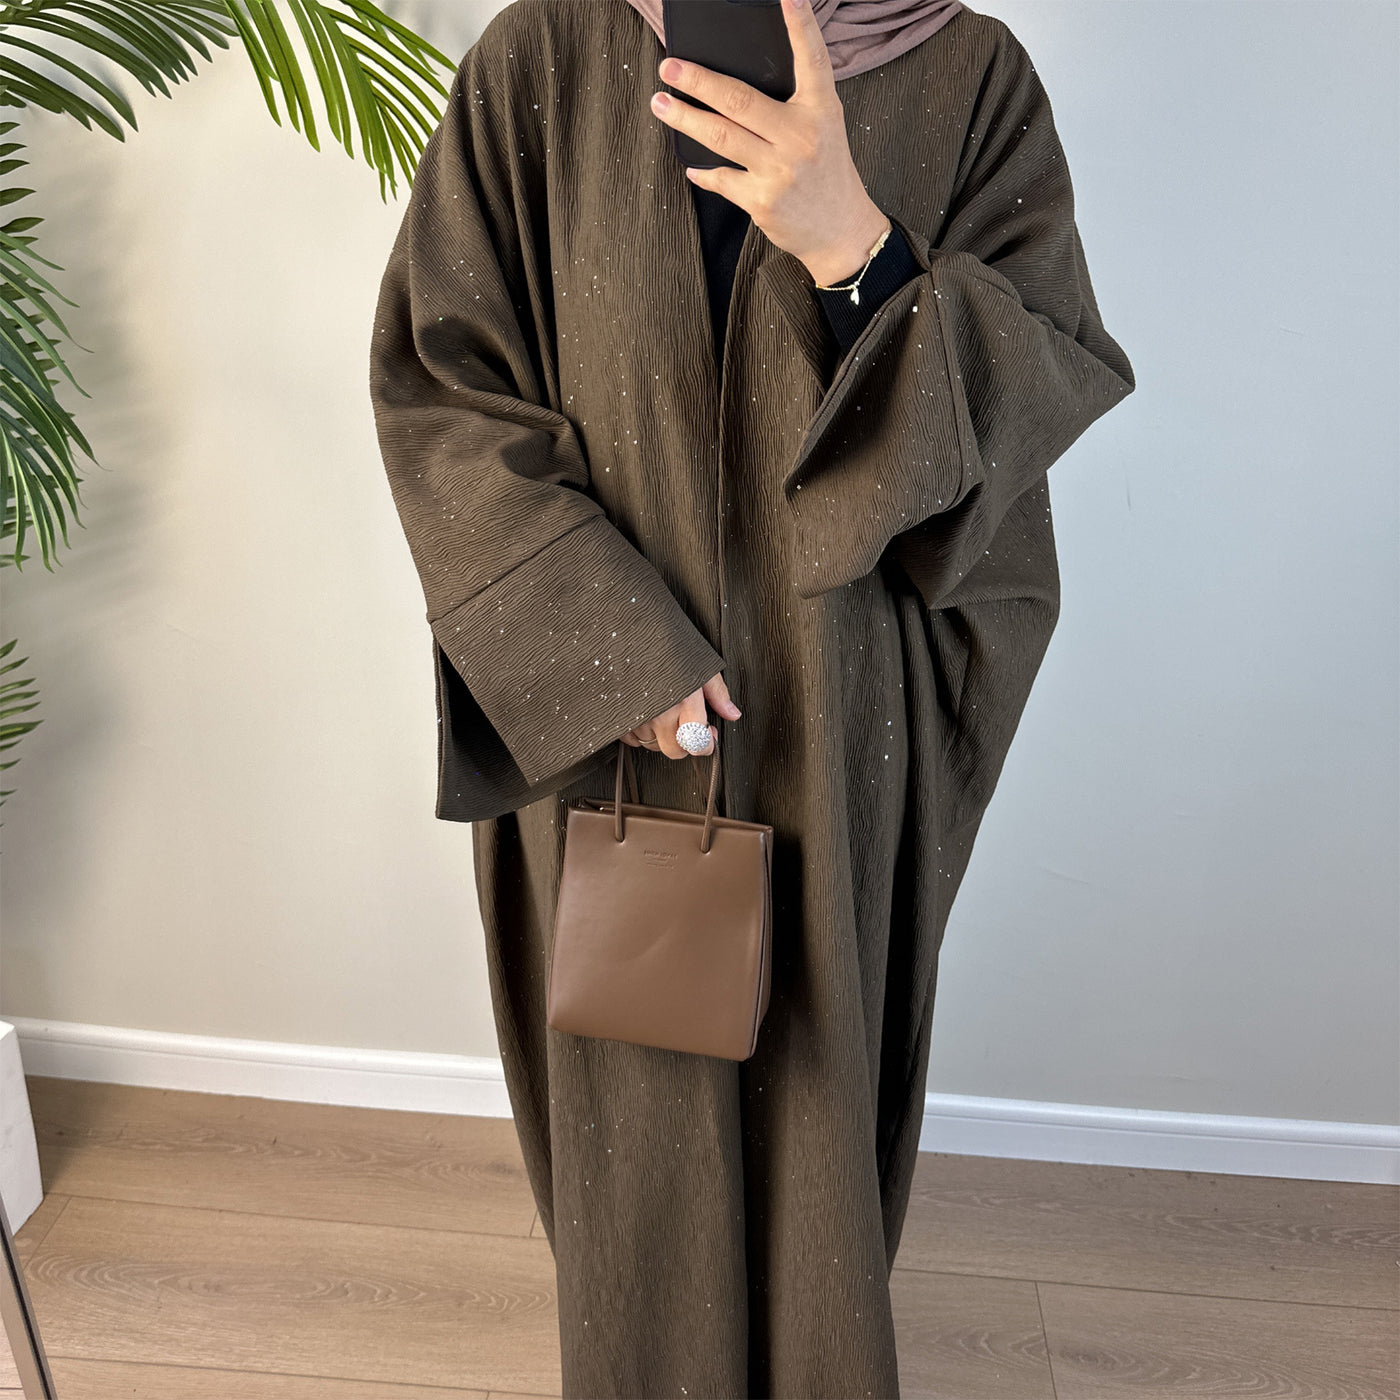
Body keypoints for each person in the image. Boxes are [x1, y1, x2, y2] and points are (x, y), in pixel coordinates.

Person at [368, 0, 1135, 1394]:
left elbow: (1033, 386)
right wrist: (614, 654)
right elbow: (444, 386)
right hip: (610, 726)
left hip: (844, 728)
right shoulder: (540, 61)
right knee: (635, 1163)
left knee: (820, 1126)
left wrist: (856, 250)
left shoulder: (971, 78)